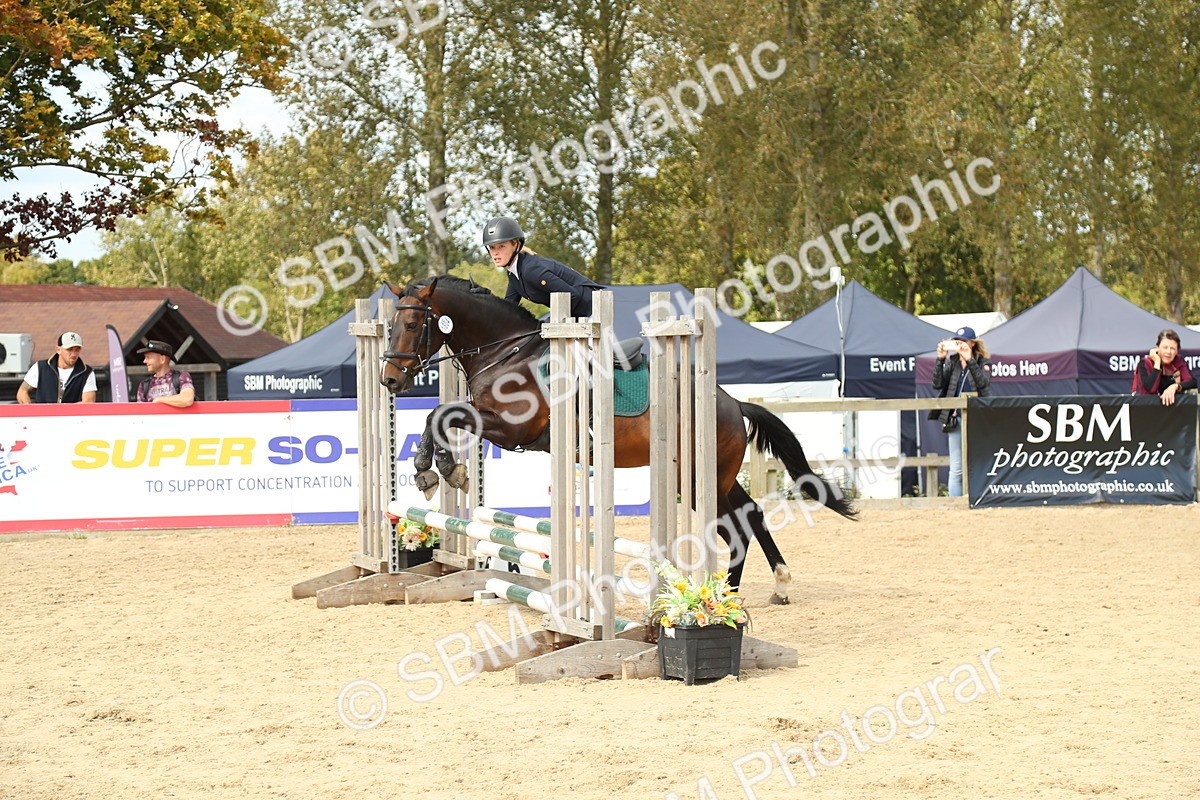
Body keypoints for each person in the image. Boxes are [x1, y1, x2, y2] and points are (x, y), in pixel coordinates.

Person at [482, 216, 604, 318]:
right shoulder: (514, 273)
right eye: (492, 247)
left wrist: (551, 321)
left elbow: (571, 296)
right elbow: (508, 307)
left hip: (595, 311)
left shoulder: (530, 270)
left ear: (516, 245)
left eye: (502, 246)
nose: (495, 253)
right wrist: (484, 298)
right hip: (579, 316)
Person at [931, 326, 992, 497]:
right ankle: (955, 505)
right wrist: (940, 359)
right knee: (956, 469)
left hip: (978, 420)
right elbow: (936, 384)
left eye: (964, 342)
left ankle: (980, 500)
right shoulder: (952, 363)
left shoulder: (983, 362)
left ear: (972, 343)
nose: (961, 345)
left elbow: (983, 383)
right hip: (955, 420)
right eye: (958, 342)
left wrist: (970, 360)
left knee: (979, 463)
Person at [16, 331, 97, 404]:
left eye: (77, 350)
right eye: (69, 349)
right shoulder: (40, 367)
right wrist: (32, 412)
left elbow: (88, 403)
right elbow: (22, 392)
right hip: (43, 419)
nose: (73, 354)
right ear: (58, 349)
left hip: (72, 419)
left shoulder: (87, 372)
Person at [1132, 329, 1195, 406]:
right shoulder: (1145, 363)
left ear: (1177, 351)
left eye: (1172, 348)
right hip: (1147, 409)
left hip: (1173, 410)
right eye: (1165, 347)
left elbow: (1192, 382)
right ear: (1157, 348)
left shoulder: (1178, 361)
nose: (1168, 352)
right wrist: (1157, 363)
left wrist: (1175, 387)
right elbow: (1151, 389)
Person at [135, 340, 195, 407]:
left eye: (148, 357)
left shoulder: (181, 376)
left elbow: (187, 399)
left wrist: (159, 400)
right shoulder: (144, 385)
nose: (144, 361)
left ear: (162, 359)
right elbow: (140, 413)